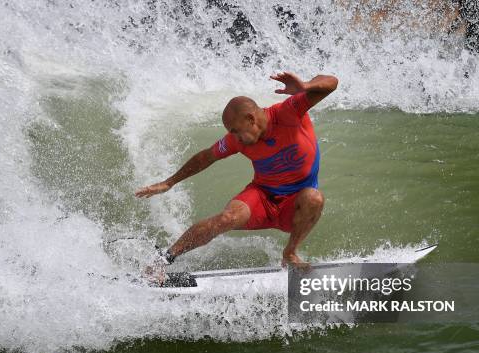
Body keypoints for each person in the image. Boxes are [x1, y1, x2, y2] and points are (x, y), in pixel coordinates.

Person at [135, 71, 338, 281]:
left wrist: (305, 86)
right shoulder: (237, 141)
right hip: (262, 196)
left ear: (251, 119)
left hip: (295, 205)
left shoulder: (289, 112)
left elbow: (332, 82)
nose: (234, 137)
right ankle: (164, 259)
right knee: (226, 218)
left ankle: (290, 252)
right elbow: (206, 157)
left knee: (314, 198)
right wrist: (168, 183)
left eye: (235, 130)